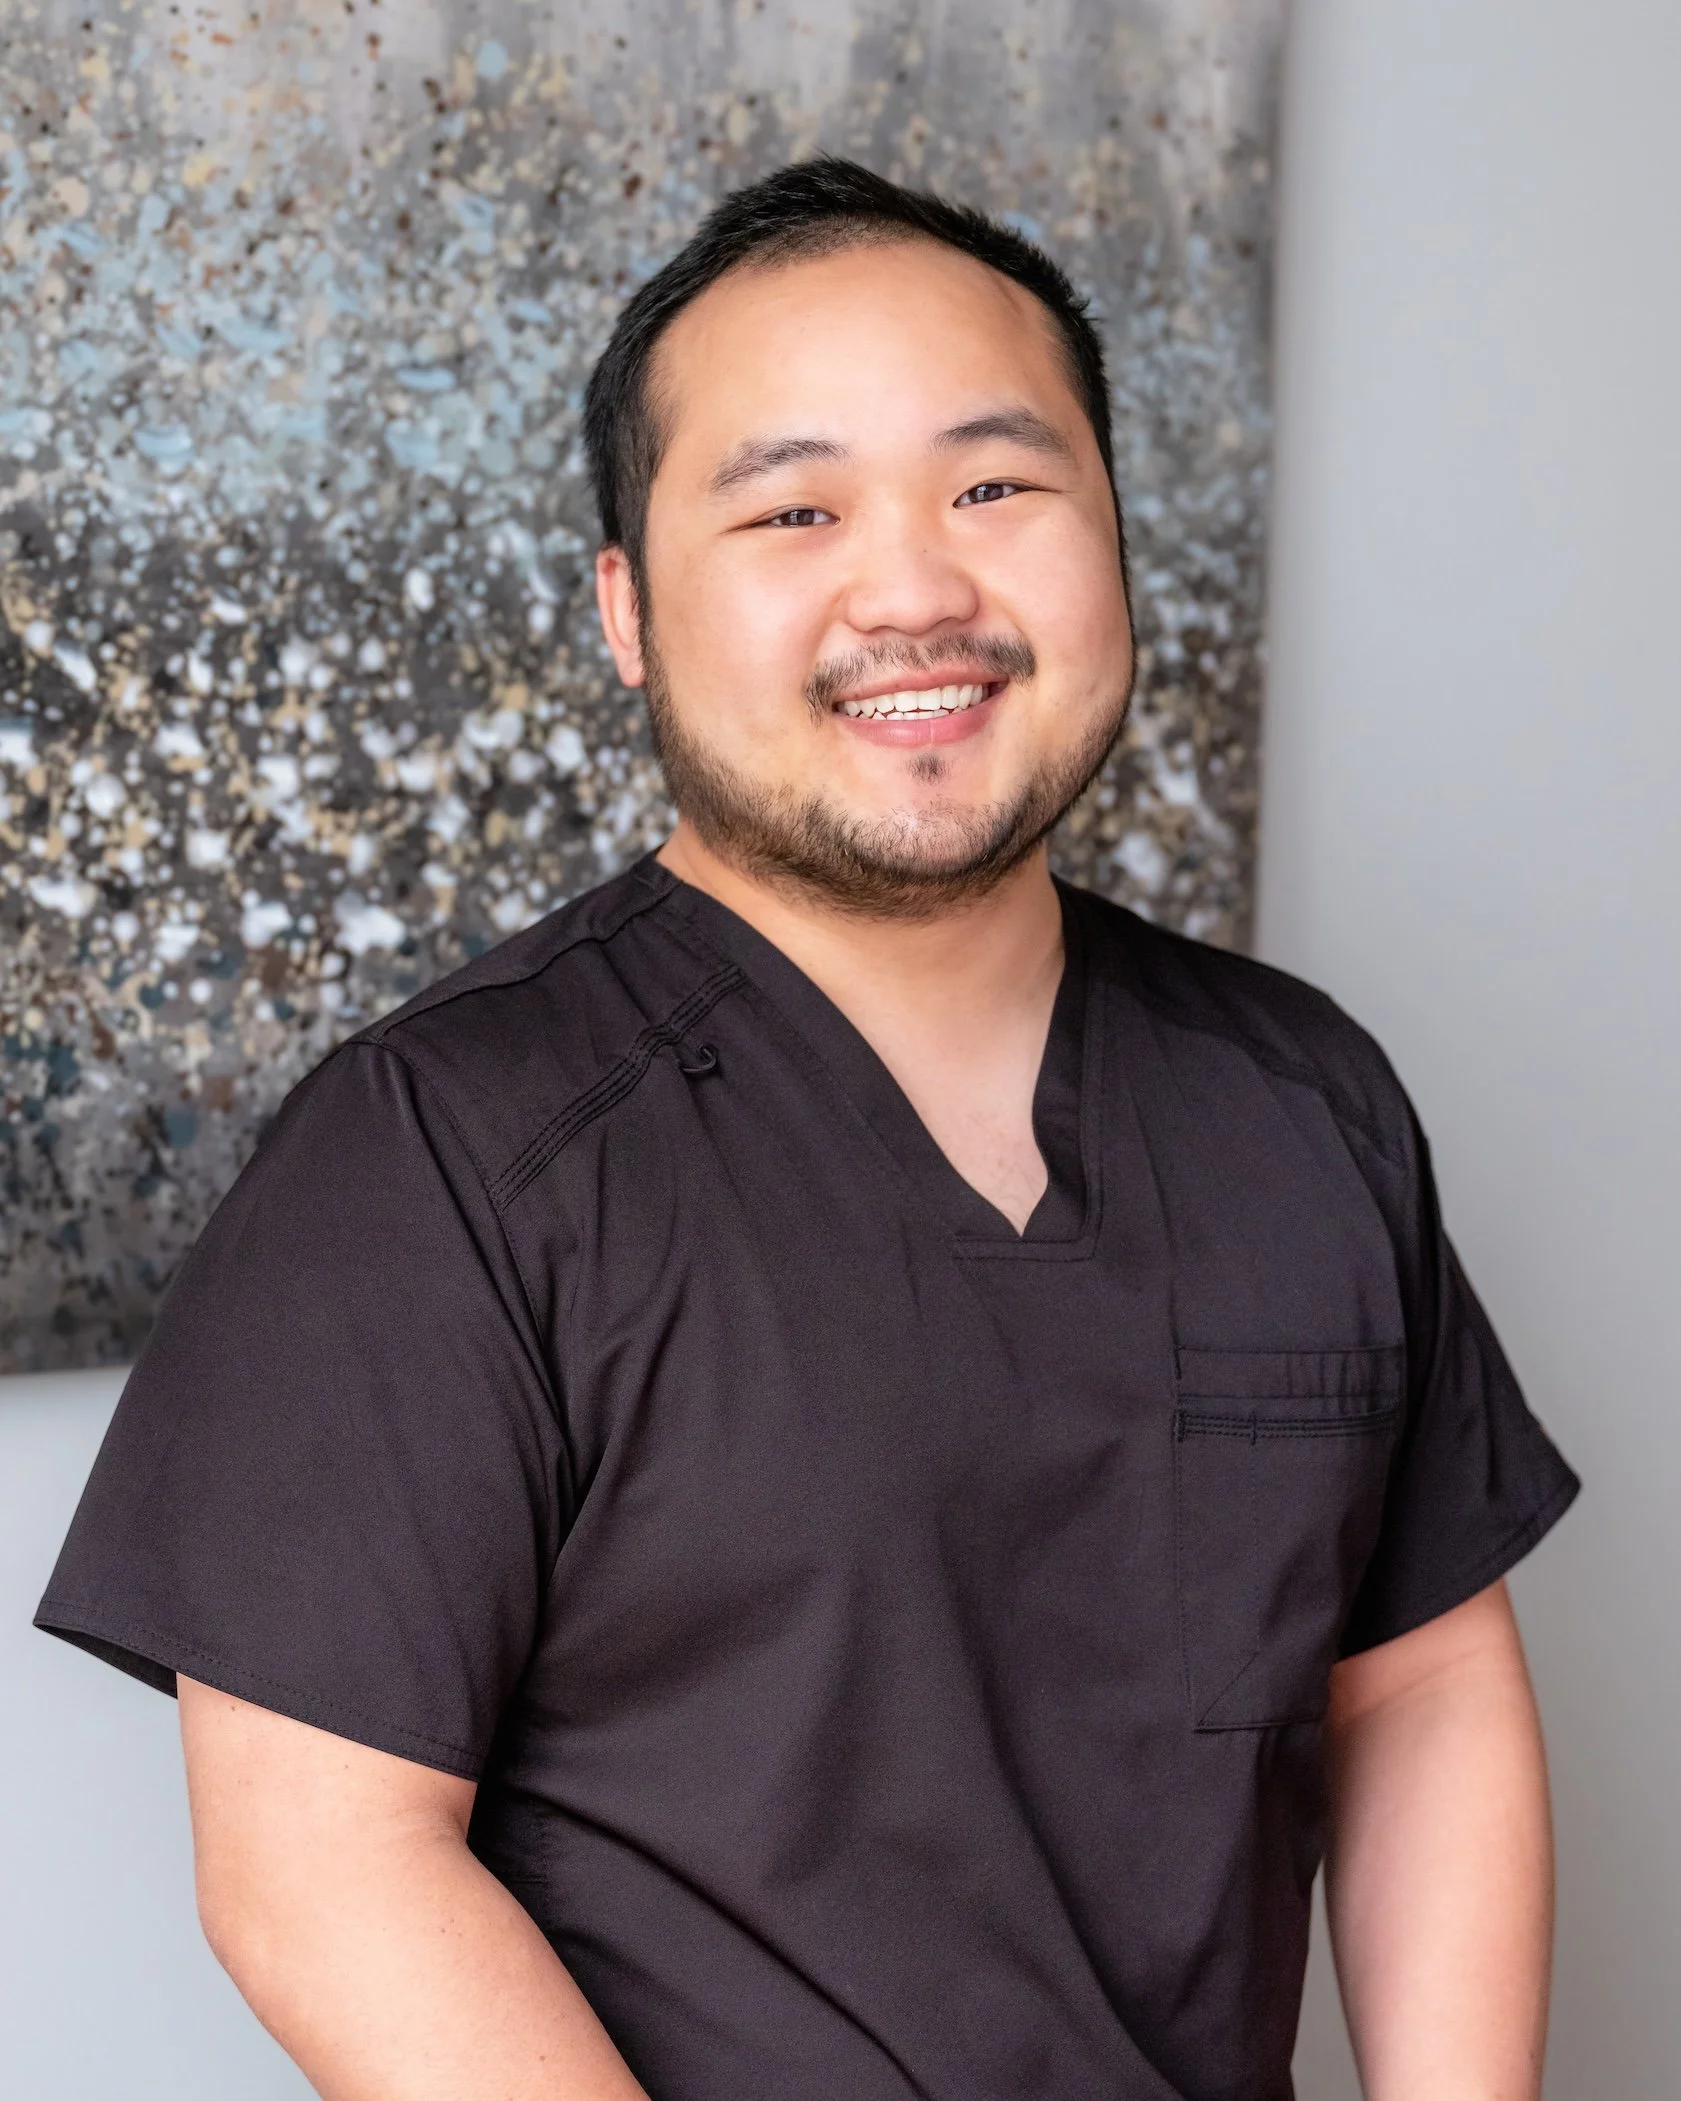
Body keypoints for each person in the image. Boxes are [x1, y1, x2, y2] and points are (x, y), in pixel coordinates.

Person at [38, 158, 1578, 2101]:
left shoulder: (1299, 1097)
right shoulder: (436, 1154)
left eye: (997, 488)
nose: (915, 592)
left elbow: (1420, 1678)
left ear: (1114, 536)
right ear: (626, 609)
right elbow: (322, 1868)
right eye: (794, 509)